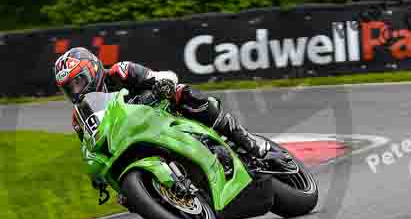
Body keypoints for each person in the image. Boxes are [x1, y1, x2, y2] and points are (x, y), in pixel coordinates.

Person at [54, 47, 270, 159]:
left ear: (92, 69)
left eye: (78, 82)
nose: (75, 90)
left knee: (182, 92)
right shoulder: (78, 118)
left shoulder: (121, 72)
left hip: (163, 114)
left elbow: (163, 76)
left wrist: (163, 85)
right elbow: (91, 148)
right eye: (68, 88)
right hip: (133, 140)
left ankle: (245, 139)